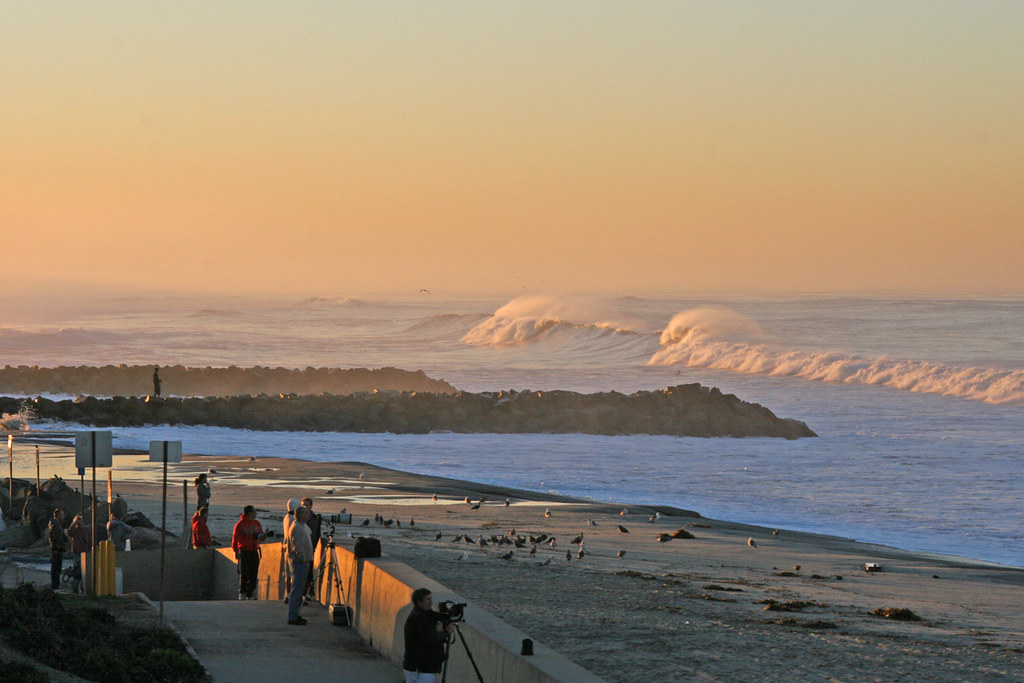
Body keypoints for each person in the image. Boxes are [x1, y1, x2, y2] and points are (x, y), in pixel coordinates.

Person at [402, 588, 454, 682]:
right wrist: (445, 632)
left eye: (431, 598)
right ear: (419, 602)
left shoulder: (423, 614)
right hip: (420, 668)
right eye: (428, 599)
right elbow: (431, 639)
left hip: (422, 667)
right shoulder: (417, 619)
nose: (431, 602)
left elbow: (436, 616)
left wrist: (447, 618)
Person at [285, 506, 313, 625]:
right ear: (301, 515)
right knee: (297, 589)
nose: (308, 515)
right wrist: (303, 559)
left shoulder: (302, 526)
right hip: (299, 562)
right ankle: (292, 616)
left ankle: (295, 614)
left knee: (299, 589)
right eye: (306, 513)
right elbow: (297, 547)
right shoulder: (296, 528)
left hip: (303, 561)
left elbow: (310, 532)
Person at [231, 505, 265, 600]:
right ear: (249, 513)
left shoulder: (257, 523)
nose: (255, 513)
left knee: (253, 574)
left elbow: (261, 536)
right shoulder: (240, 524)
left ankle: (250, 593)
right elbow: (235, 539)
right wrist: (236, 551)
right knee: (244, 574)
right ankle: (242, 592)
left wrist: (263, 536)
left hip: (254, 551)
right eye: (254, 511)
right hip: (244, 551)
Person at [301, 496, 322, 600]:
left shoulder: (315, 518)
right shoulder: (300, 518)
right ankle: (305, 592)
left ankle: (309, 590)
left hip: (311, 547)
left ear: (311, 506)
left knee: (309, 571)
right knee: (303, 571)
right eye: (303, 505)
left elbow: (316, 533)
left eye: (306, 505)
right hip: (302, 549)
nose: (305, 507)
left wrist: (314, 545)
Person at [66, 515, 92, 594]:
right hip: (77, 553)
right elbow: (69, 533)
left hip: (85, 553)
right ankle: (75, 590)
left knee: (85, 572)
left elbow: (90, 540)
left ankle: (83, 589)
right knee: (77, 572)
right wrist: (74, 524)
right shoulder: (74, 530)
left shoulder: (86, 530)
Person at [46, 508, 68, 591]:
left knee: (56, 568)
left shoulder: (55, 525)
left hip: (56, 548)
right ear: (58, 515)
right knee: (56, 568)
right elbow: (58, 537)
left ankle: (55, 585)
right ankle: (55, 585)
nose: (63, 516)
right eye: (62, 514)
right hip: (57, 548)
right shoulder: (56, 526)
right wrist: (64, 537)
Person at [282, 498, 299, 599]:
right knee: (294, 574)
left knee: (287, 574)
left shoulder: (286, 518)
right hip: (291, 550)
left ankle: (287, 595)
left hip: (285, 548)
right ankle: (293, 595)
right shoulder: (293, 520)